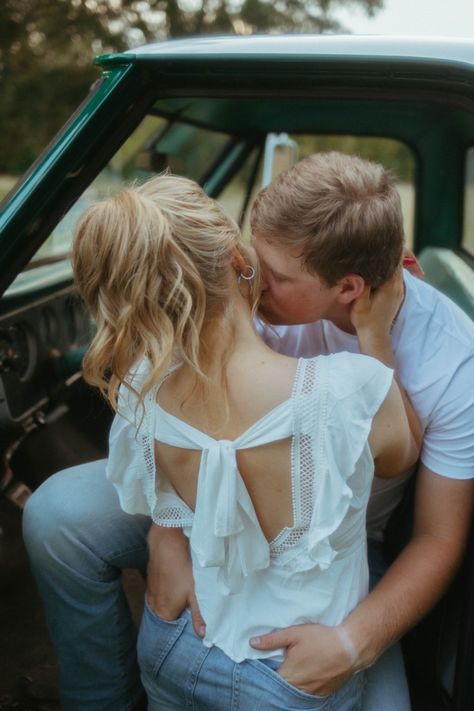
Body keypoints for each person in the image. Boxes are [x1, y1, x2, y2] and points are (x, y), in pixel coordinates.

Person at [22, 153, 473, 711]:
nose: (249, 276)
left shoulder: (454, 363)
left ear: (349, 288)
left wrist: (353, 643)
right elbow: (169, 405)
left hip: (340, 544)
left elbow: (437, 538)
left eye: (277, 276)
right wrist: (168, 532)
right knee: (55, 515)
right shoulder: (242, 287)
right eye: (250, 254)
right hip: (200, 496)